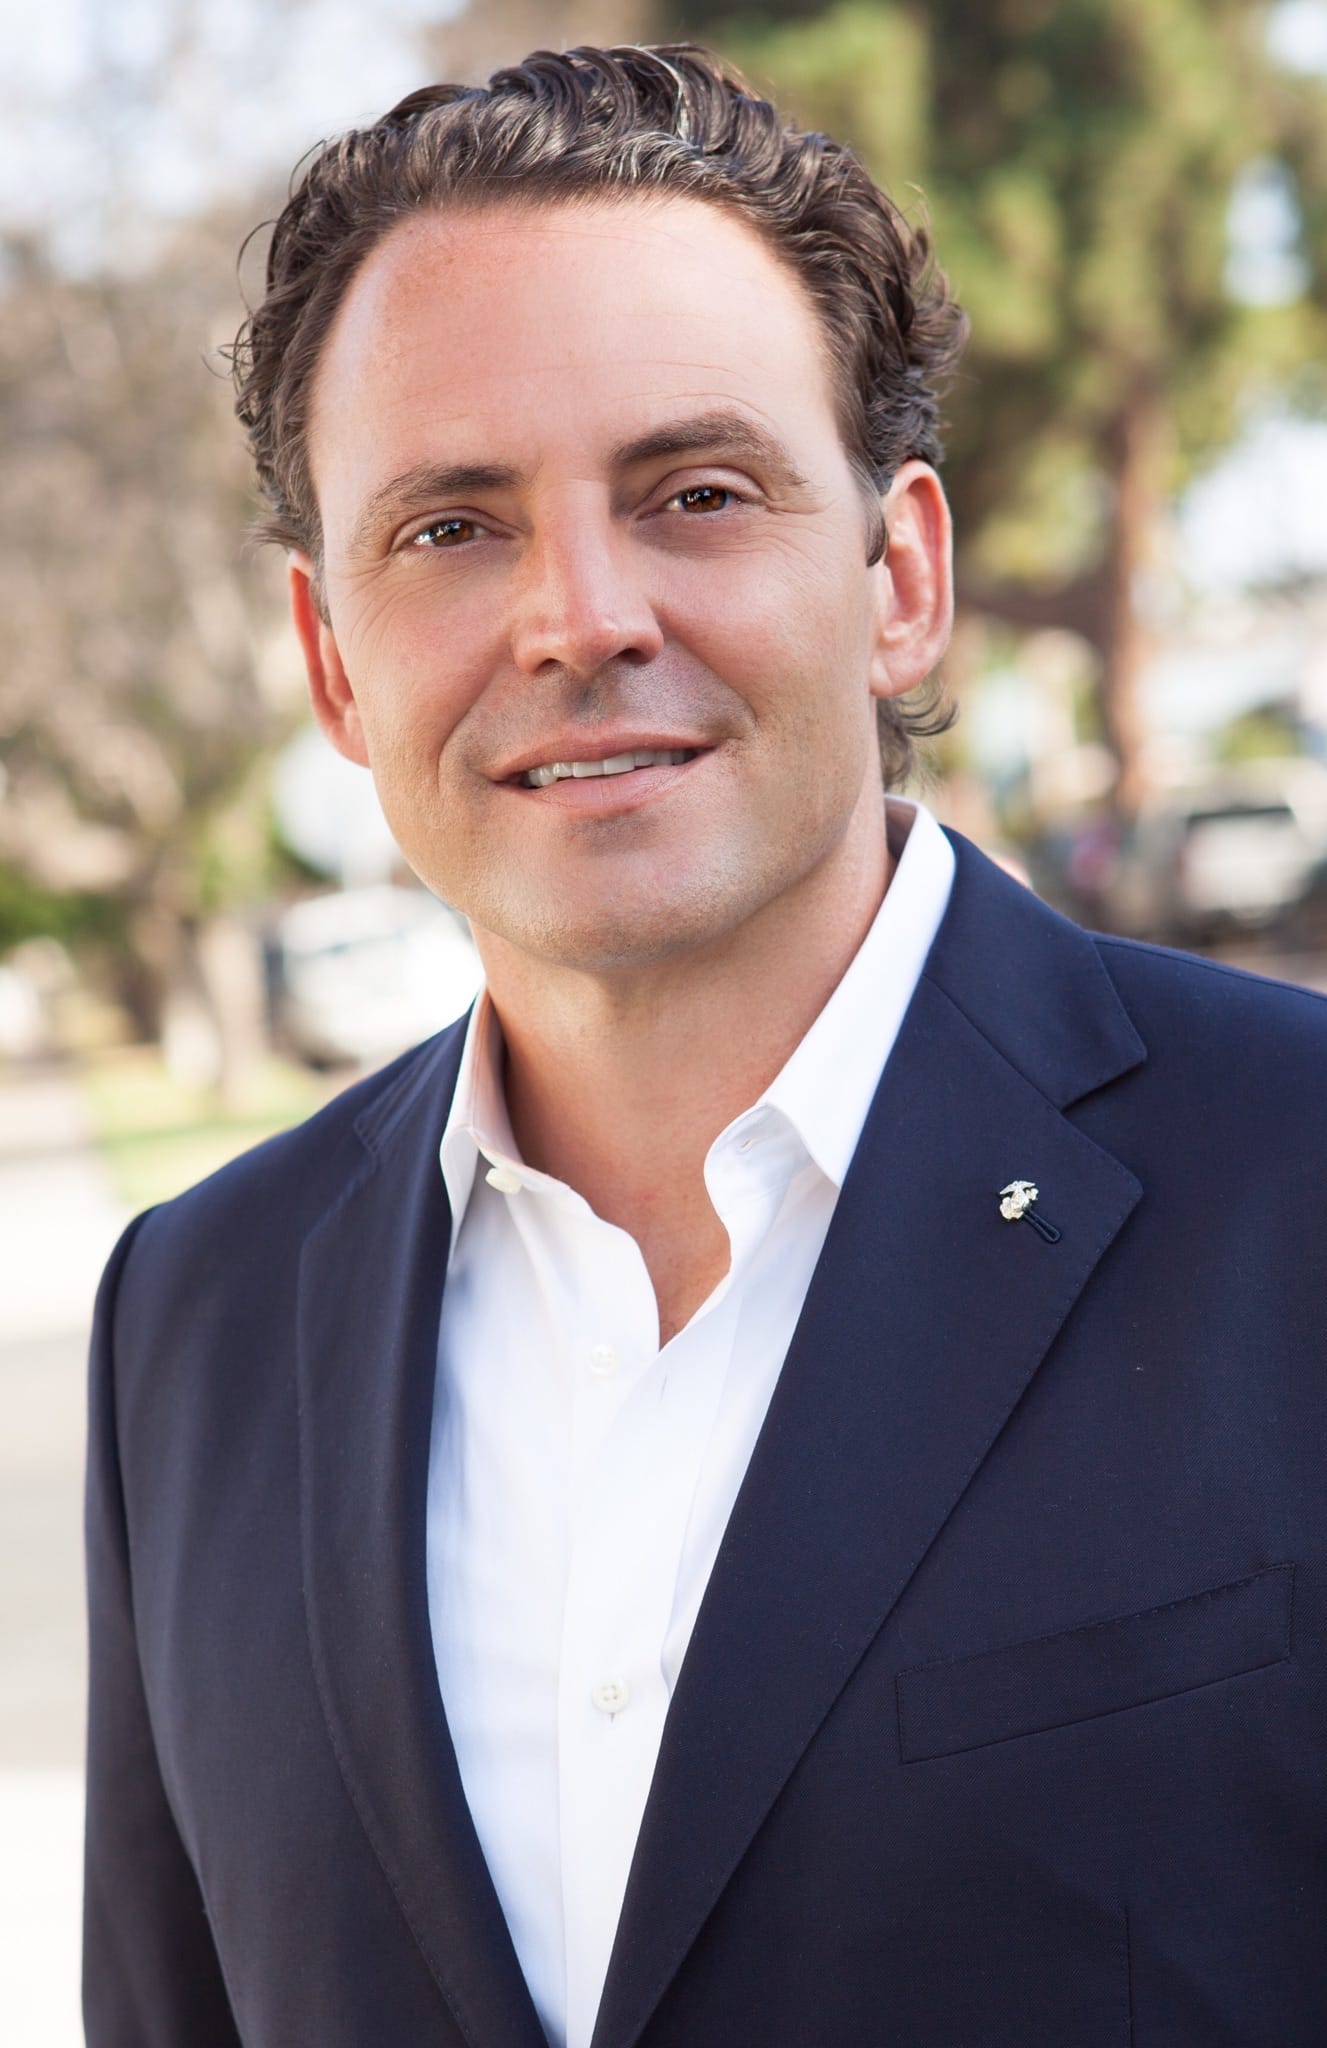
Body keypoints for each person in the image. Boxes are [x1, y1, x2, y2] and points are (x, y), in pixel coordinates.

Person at [83, 43, 1327, 2048]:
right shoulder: (192, 1319)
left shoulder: (1295, 1184)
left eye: (696, 494)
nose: (580, 617)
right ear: (330, 659)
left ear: (898, 578)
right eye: (451, 527)